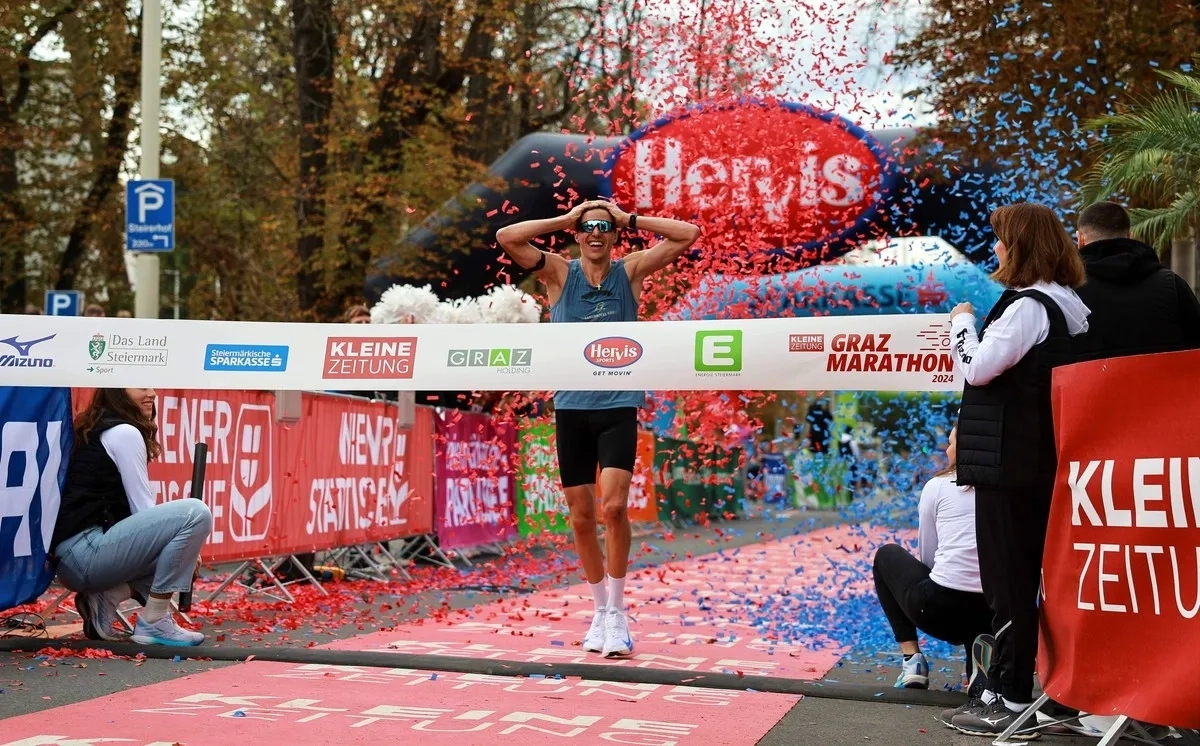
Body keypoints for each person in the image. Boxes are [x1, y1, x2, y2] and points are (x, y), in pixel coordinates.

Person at [496, 198, 700, 658]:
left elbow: (687, 235)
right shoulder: (558, 273)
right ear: (577, 233)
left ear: (613, 236)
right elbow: (507, 238)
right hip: (571, 407)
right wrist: (564, 219)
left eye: (602, 228)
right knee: (582, 516)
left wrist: (627, 217)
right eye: (586, 227)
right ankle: (599, 611)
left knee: (613, 507)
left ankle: (619, 612)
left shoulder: (628, 271)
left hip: (618, 405)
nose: (594, 233)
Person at [943, 203, 1090, 737]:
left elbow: (977, 368)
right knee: (1037, 585)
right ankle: (1047, 692)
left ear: (1022, 246)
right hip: (1040, 460)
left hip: (1012, 465)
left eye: (1003, 240)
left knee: (1009, 585)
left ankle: (1007, 699)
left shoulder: (1028, 306)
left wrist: (961, 321)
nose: (997, 249)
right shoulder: (1071, 303)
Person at [51, 388, 212, 646]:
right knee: (196, 514)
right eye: (141, 387)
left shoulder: (102, 426)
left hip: (75, 558)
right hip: (85, 554)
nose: (151, 393)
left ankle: (108, 595)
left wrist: (185, 553)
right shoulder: (124, 432)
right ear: (116, 392)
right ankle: (155, 621)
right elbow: (142, 507)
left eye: (151, 386)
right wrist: (188, 551)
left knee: (180, 549)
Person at [872, 426, 994, 693]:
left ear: (962, 449)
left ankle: (912, 660)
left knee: (886, 555)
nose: (947, 450)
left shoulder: (938, 485)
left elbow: (928, 553)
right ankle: (979, 671)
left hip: (939, 607)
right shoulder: (1008, 492)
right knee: (981, 590)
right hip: (992, 612)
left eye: (950, 443)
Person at [1073, 200, 1200, 359]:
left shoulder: (1068, 292)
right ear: (1130, 236)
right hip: (1162, 382)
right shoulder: (1172, 285)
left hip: (1089, 383)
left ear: (1081, 239)